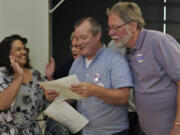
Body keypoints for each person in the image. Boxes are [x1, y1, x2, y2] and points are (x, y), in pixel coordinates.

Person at [107, 2, 180, 135]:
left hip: (170, 130)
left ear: (133, 26)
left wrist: (178, 124)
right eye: (109, 28)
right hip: (146, 129)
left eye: (115, 27)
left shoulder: (159, 41)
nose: (111, 33)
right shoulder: (121, 49)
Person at [68, 17, 133, 135]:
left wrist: (95, 90)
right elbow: (72, 95)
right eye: (77, 39)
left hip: (113, 132)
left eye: (83, 38)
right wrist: (58, 94)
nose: (79, 43)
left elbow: (123, 97)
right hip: (85, 131)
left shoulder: (115, 60)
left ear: (97, 36)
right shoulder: (76, 63)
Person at [0, 34, 56, 135]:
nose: (24, 52)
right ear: (8, 53)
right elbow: (2, 104)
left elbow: (49, 102)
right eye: (18, 49)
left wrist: (50, 78)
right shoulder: (2, 74)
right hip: (7, 132)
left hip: (32, 131)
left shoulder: (35, 74)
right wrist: (20, 77)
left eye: (25, 49)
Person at [44, 32, 81, 135]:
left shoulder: (95, 65)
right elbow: (57, 92)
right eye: (72, 46)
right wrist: (50, 77)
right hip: (71, 121)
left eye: (77, 46)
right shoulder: (69, 63)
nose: (73, 49)